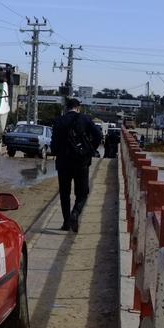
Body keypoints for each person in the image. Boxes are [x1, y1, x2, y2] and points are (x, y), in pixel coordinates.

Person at [50, 98, 103, 232]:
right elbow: (98, 134)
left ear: (66, 108)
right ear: (78, 108)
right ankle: (76, 213)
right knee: (83, 192)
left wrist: (57, 152)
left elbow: (54, 143)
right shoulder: (85, 119)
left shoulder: (59, 121)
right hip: (81, 162)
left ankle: (66, 223)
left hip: (63, 163)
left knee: (64, 193)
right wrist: (90, 150)